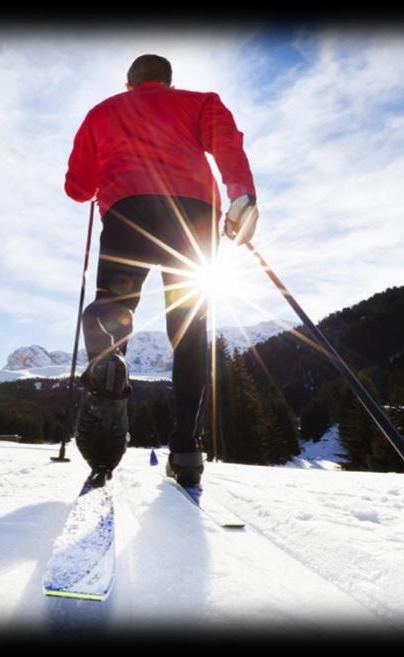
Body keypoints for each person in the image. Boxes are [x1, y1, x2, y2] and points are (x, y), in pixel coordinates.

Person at [64, 54, 259, 489]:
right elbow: (227, 144)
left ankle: (108, 354)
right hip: (192, 214)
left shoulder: (102, 112)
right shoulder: (200, 102)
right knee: (189, 328)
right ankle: (187, 449)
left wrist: (95, 180)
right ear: (168, 82)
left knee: (115, 307)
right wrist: (242, 195)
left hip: (128, 211)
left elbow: (77, 187)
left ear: (129, 82)